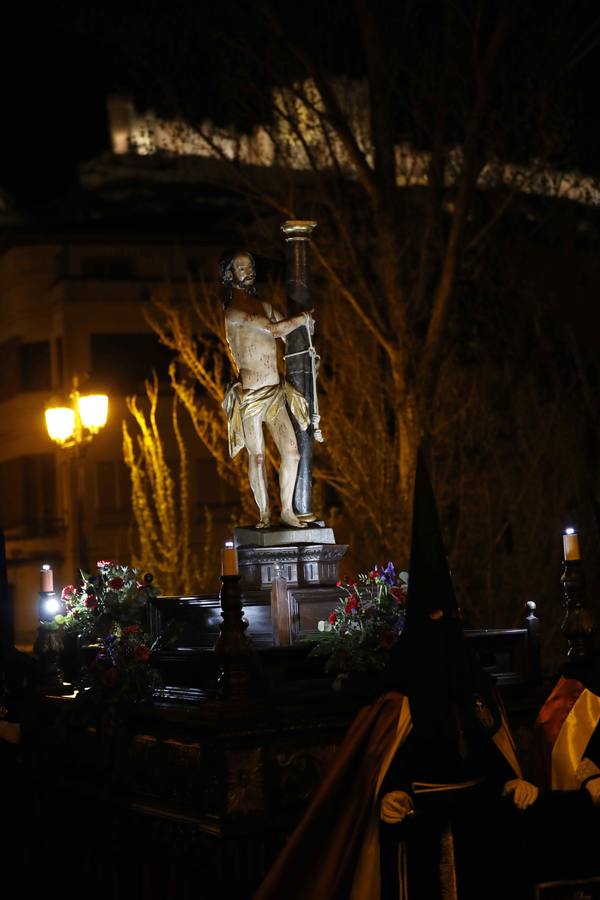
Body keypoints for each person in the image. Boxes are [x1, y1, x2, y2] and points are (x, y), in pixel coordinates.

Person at [255, 452, 538, 900]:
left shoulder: (475, 684)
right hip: (420, 831)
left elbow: (492, 744)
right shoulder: (398, 700)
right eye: (431, 618)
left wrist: (512, 780)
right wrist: (390, 794)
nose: (440, 624)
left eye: (446, 617)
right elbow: (381, 768)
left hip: (480, 829)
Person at [221, 251, 313, 529]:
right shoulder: (234, 312)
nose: (247, 271)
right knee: (258, 456)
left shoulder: (265, 305)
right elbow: (273, 330)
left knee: (292, 453)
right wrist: (303, 319)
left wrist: (309, 352)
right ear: (230, 275)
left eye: (249, 266)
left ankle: (286, 510)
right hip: (250, 396)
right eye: (240, 267)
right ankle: (264, 514)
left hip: (274, 392)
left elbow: (289, 338)